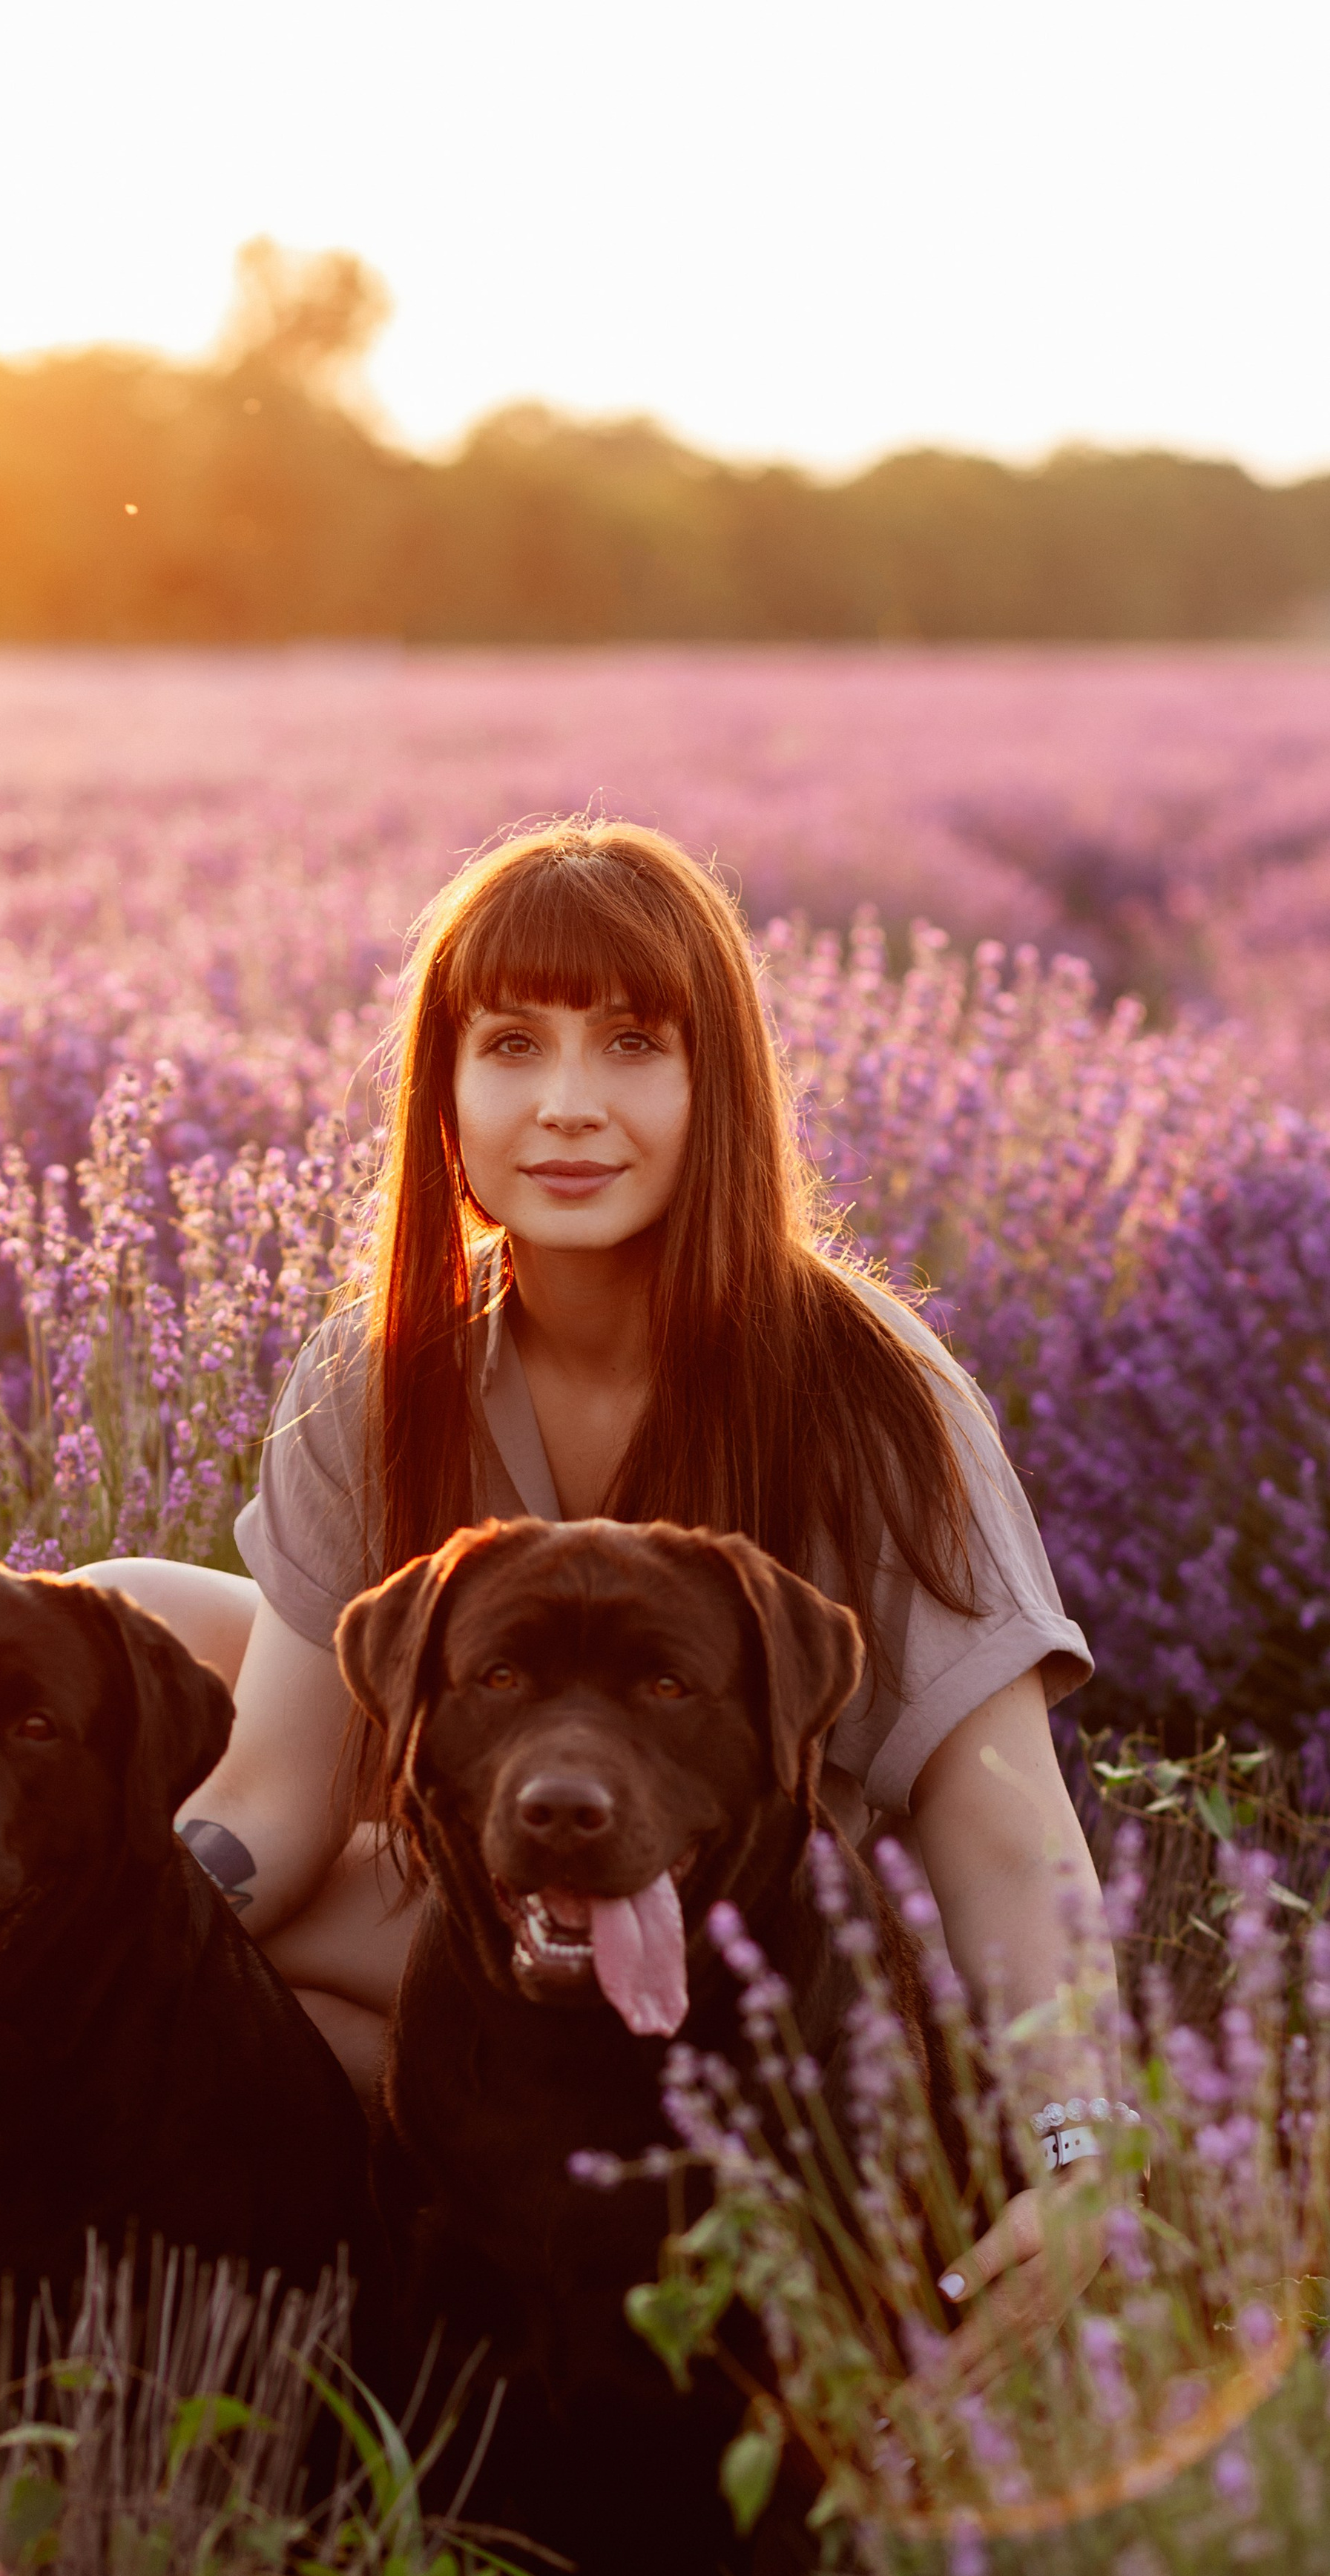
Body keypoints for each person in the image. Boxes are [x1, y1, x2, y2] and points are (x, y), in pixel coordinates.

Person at [79, 817, 1116, 2372]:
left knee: (302, 2044)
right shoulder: (384, 1369)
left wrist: (1077, 2149)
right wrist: (74, 1936)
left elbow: (999, 1831)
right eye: (509, 1046)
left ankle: (457, 2259)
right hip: (493, 1891)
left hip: (755, 1955)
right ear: (442, 1094)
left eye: (631, 1045)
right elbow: (280, 1796)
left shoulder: (863, 1390)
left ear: (719, 1091)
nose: (565, 1107)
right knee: (119, 1619)